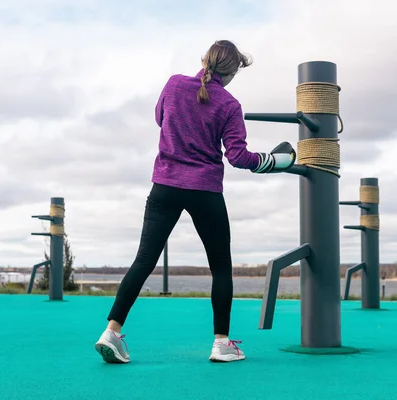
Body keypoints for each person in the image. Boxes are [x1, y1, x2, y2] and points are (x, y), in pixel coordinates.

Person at [94, 40, 296, 363]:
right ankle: (222, 344)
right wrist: (275, 161)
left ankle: (111, 332)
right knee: (221, 269)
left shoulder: (174, 84)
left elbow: (161, 119)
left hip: (165, 185)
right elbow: (239, 157)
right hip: (205, 191)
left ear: (204, 60)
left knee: (143, 262)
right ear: (230, 73)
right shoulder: (229, 104)